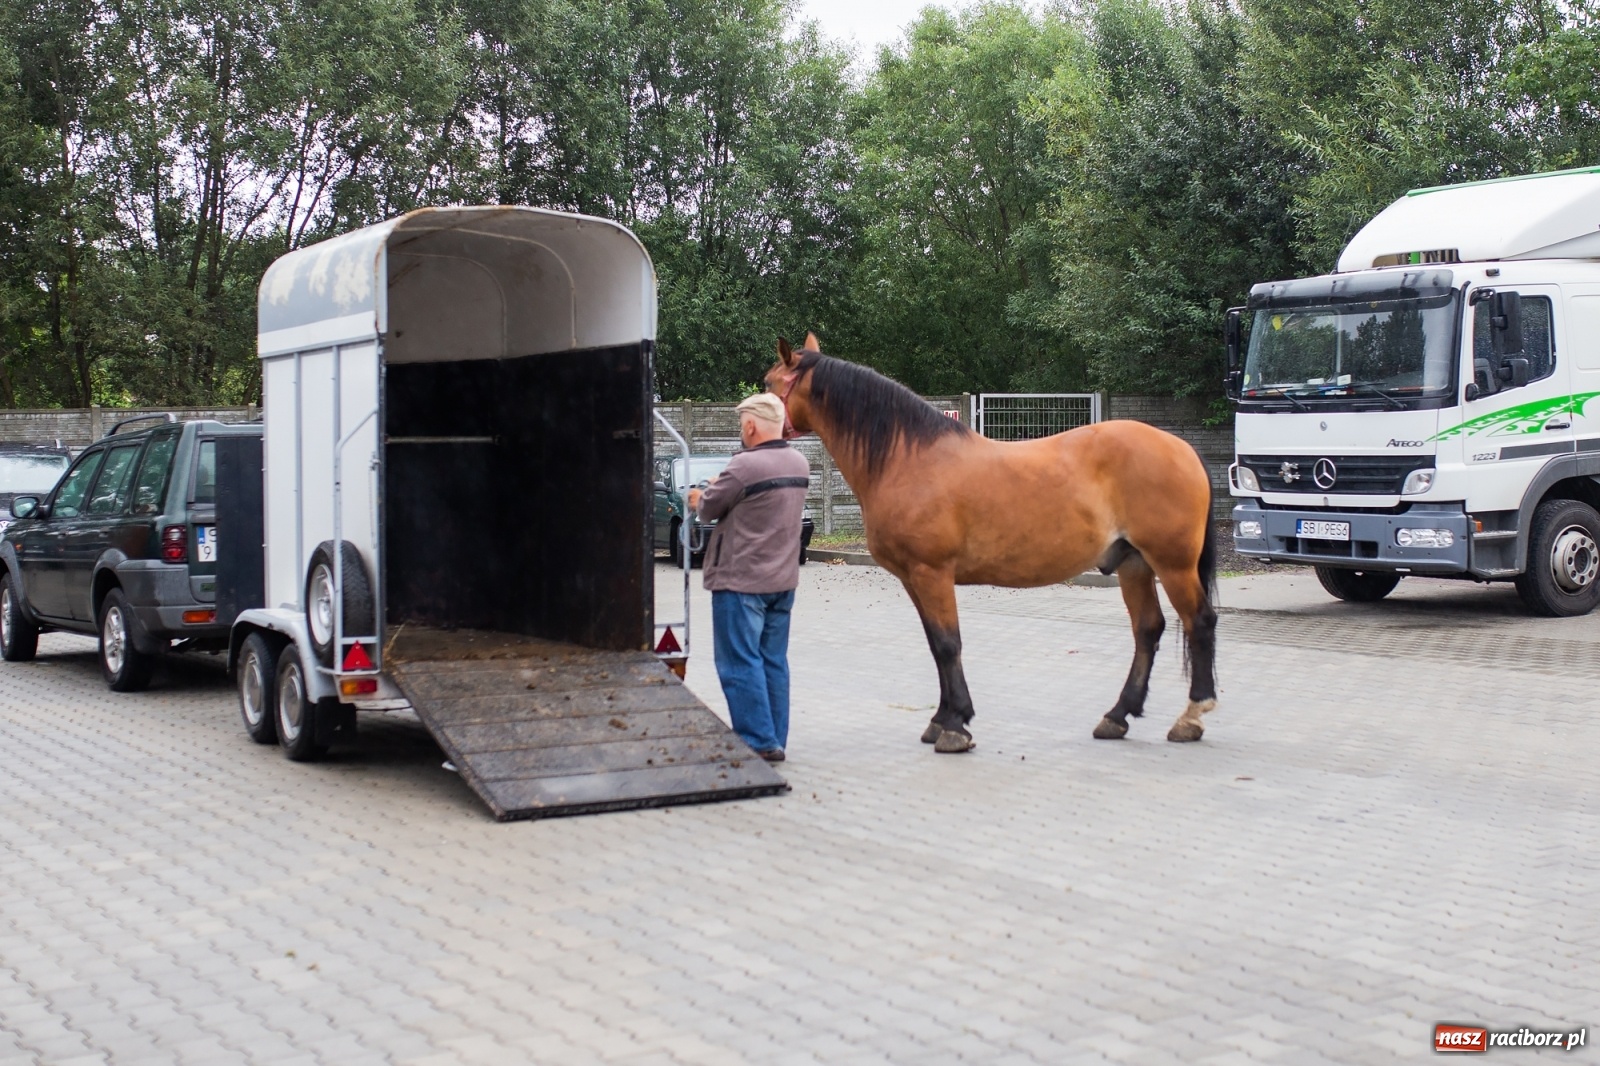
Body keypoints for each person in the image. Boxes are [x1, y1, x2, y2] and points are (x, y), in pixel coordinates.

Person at [687, 392, 810, 762]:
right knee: (773, 660)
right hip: (782, 581)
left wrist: (699, 495)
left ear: (752, 425)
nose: (742, 431)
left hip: (740, 582)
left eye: (743, 424)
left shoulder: (743, 466)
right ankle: (775, 739)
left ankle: (758, 741)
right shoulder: (799, 463)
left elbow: (709, 508)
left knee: (739, 662)